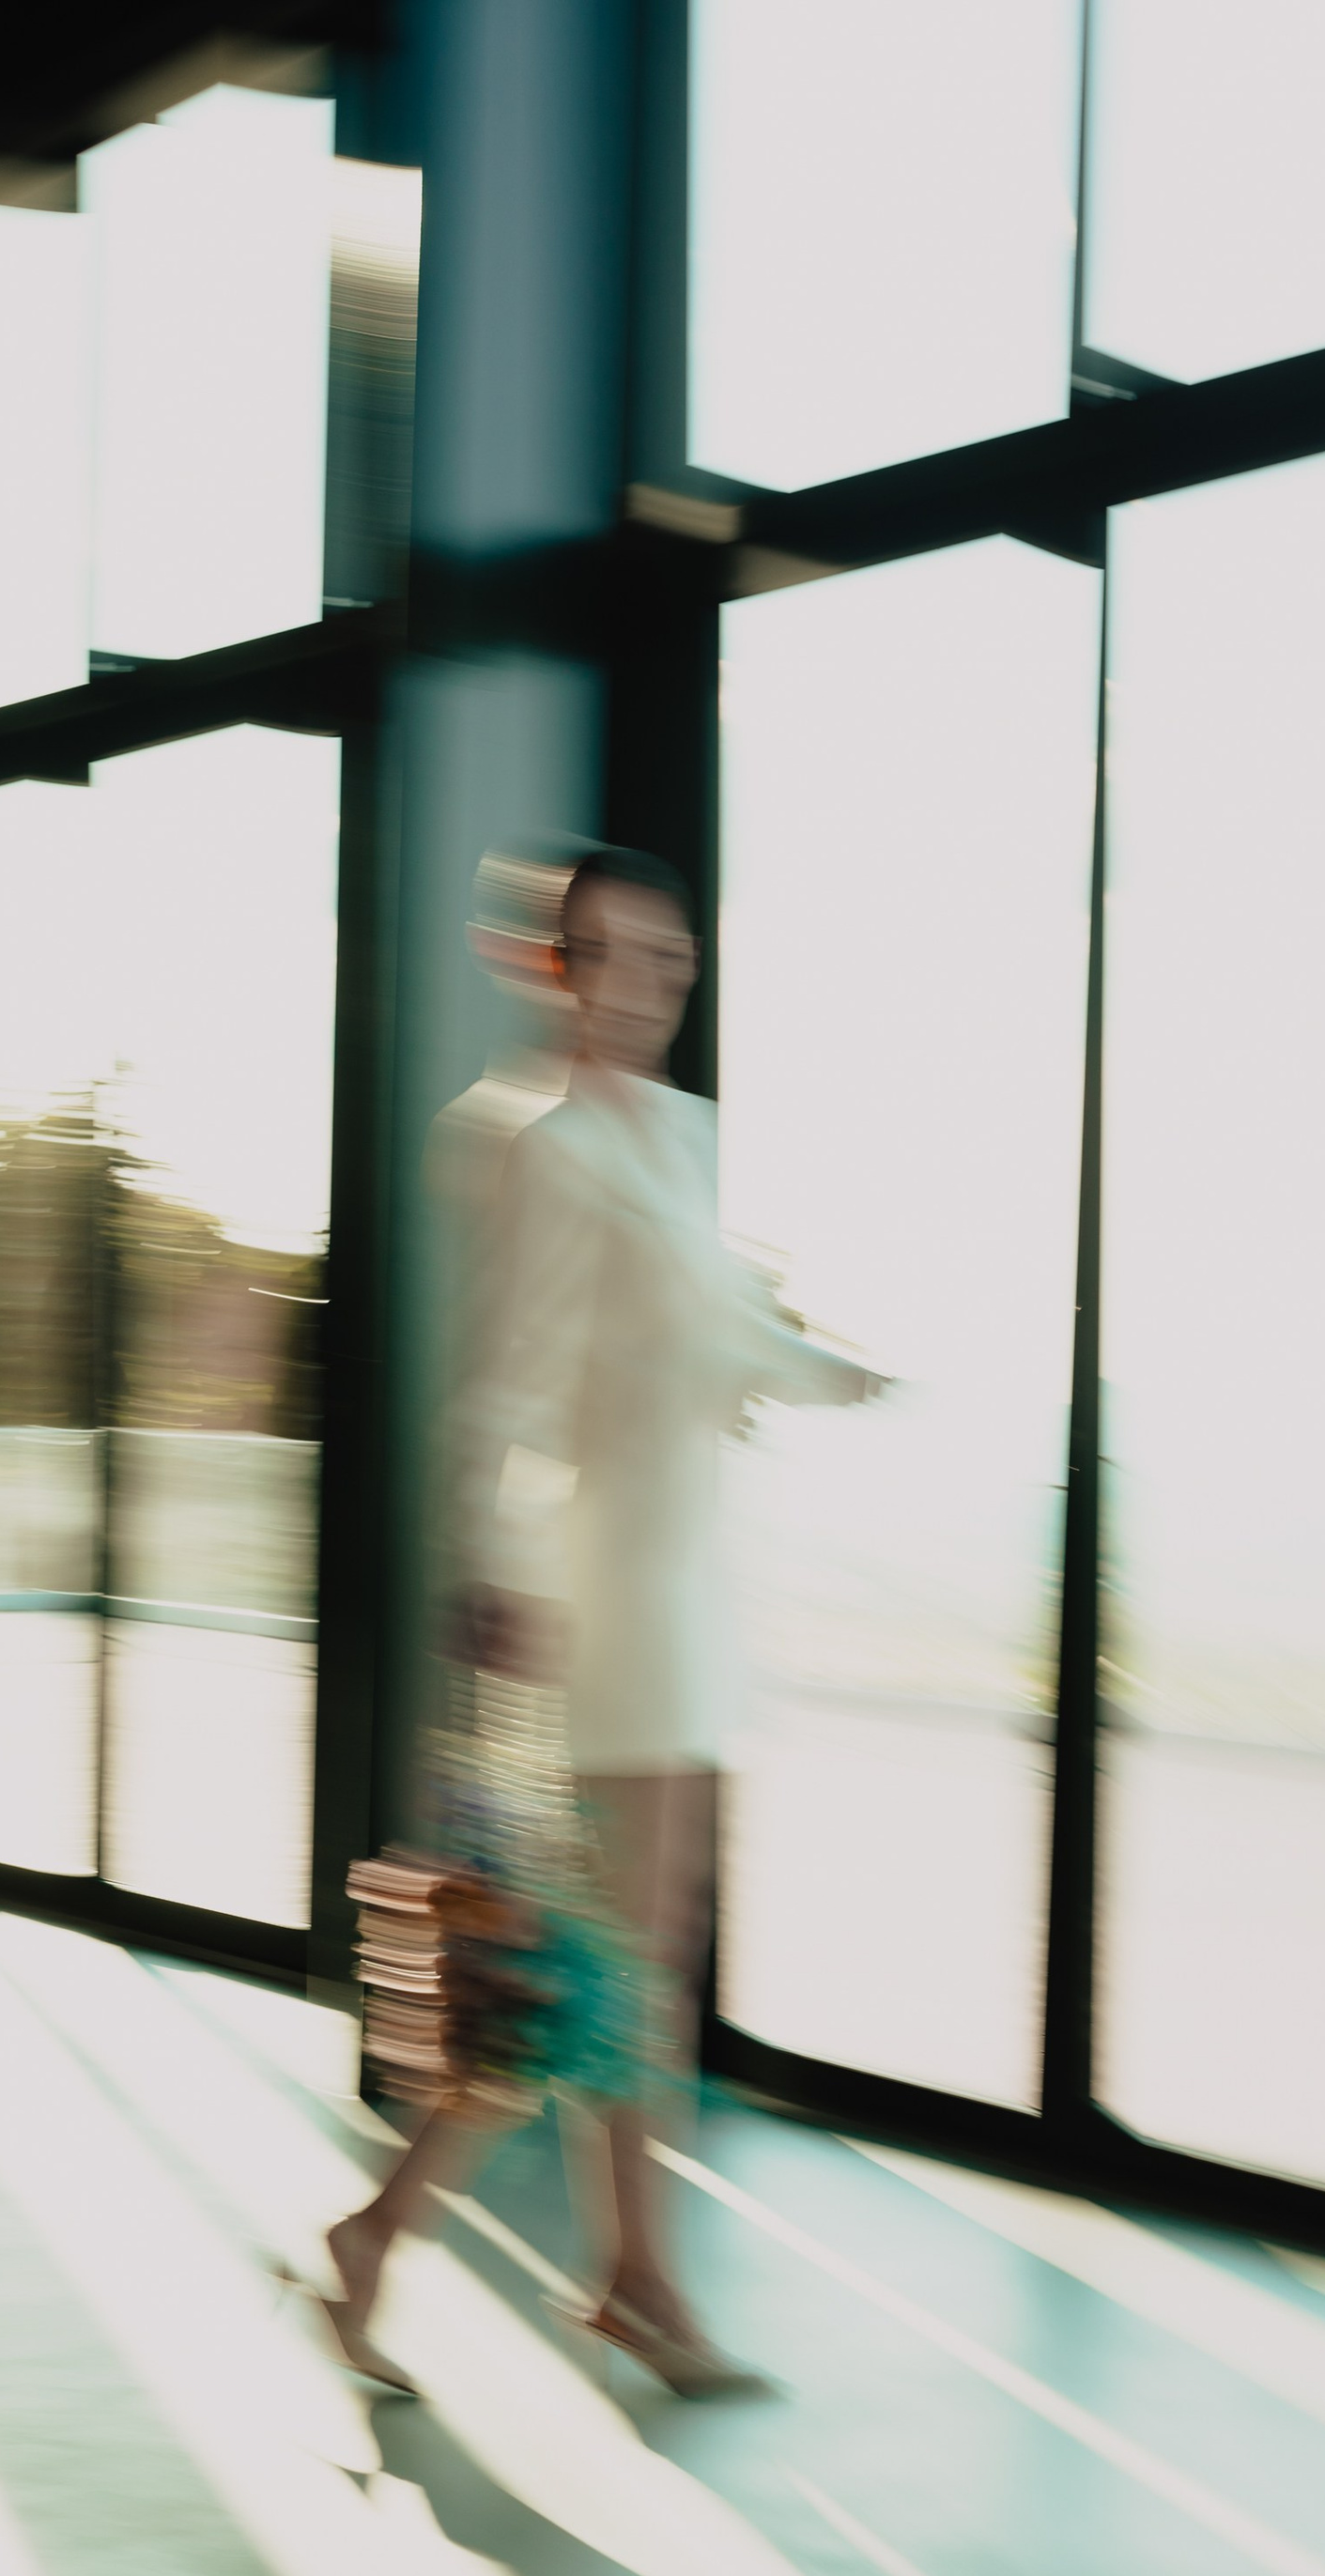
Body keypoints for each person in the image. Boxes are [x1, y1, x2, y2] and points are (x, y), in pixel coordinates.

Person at [326, 845, 883, 2398]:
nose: (644, 987)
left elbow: (716, 1332)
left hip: (687, 1585)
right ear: (554, 967)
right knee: (585, 1972)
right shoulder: (545, 1147)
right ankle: (468, 2251)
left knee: (633, 1966)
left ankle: (618, 2274)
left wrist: (834, 1374)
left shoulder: (685, 1135)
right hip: (595, 1602)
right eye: (614, 956)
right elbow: (509, 1381)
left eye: (668, 960)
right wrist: (495, 1579)